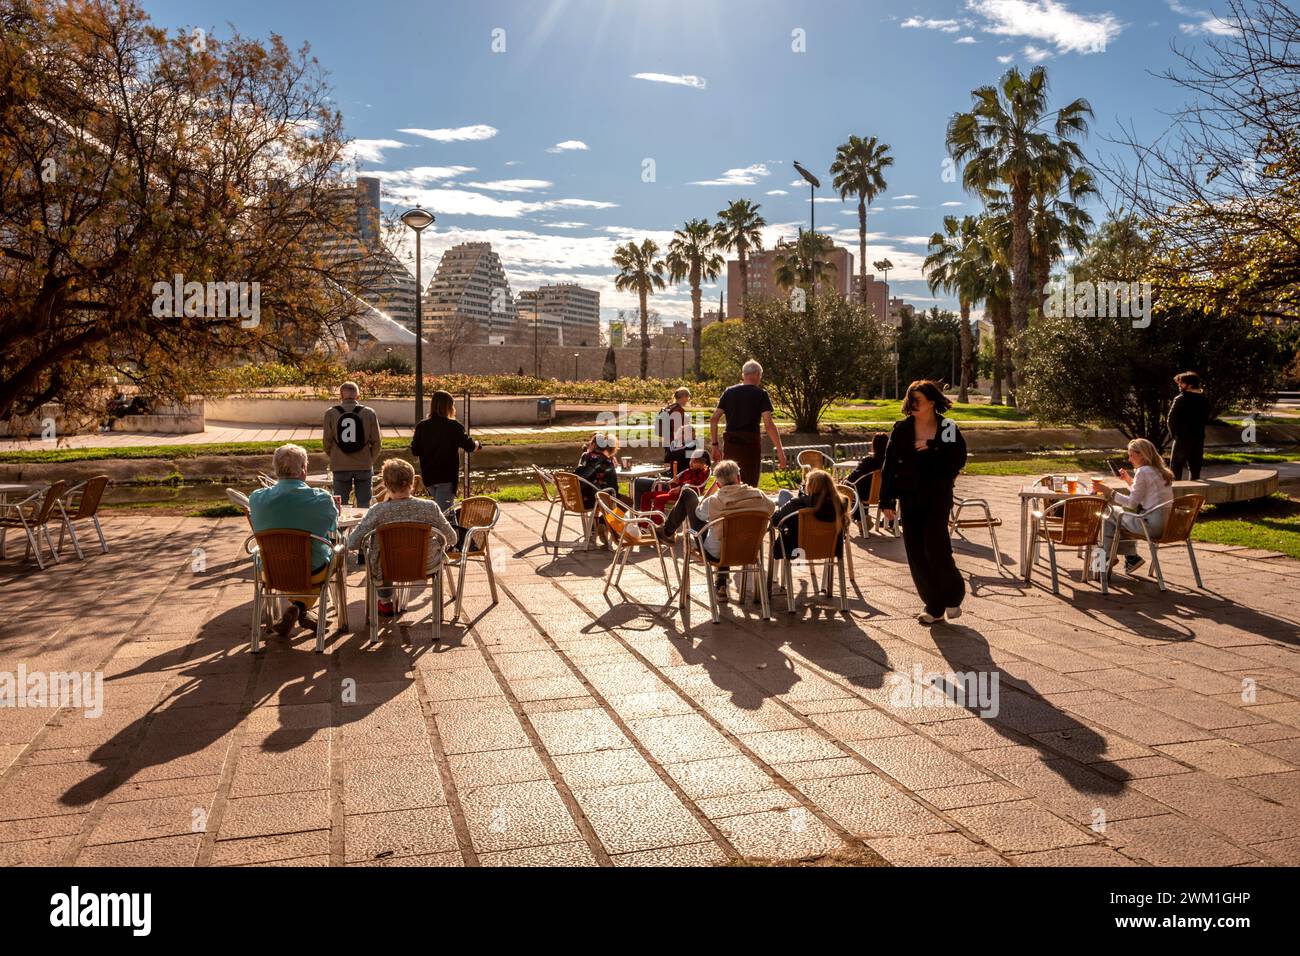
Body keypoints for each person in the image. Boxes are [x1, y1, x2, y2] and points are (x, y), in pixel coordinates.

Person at [879, 380, 969, 624]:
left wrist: (932, 446)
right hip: (909, 497)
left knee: (936, 547)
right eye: (910, 399)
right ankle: (934, 606)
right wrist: (886, 499)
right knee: (916, 550)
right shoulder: (902, 429)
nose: (913, 404)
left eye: (917, 399)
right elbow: (888, 466)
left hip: (937, 496)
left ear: (931, 401)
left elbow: (957, 459)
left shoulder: (947, 426)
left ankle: (953, 595)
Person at [248, 443, 340, 636]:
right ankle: (301, 608)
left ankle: (298, 608)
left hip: (271, 569)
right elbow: (332, 529)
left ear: (275, 470)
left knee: (293, 563)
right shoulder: (321, 499)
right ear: (304, 470)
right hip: (312, 571)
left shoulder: (256, 499)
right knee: (336, 552)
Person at [347, 458, 456, 617]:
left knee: (381, 554)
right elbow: (452, 538)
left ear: (385, 483)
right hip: (424, 563)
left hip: (387, 566)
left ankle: (385, 601)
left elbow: (353, 542)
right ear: (412, 481)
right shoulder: (429, 508)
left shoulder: (377, 511)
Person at [654, 459, 774, 600]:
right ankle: (721, 584)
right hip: (749, 550)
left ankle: (667, 531)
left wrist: (711, 491)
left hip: (716, 554)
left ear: (718, 484)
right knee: (726, 534)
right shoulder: (759, 495)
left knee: (688, 494)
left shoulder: (714, 501)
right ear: (739, 478)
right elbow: (771, 509)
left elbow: (699, 513)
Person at [1092, 438, 1176, 576]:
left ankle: (1105, 560)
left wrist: (1110, 492)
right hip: (1168, 525)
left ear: (1142, 454)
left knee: (1108, 512)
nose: (1129, 459)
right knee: (1118, 519)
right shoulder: (1160, 471)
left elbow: (1132, 503)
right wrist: (1128, 480)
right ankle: (1130, 558)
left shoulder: (1143, 471)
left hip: (1152, 526)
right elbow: (1144, 495)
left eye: (1131, 455)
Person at [710, 359, 787, 488]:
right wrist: (780, 450)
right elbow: (769, 424)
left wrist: (714, 445)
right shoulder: (761, 394)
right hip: (750, 445)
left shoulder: (729, 392)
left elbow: (714, 419)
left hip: (731, 443)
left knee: (729, 482)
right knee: (750, 483)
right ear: (758, 375)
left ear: (743, 375)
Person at [410, 389, 481, 512]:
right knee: (444, 514)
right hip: (446, 477)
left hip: (429, 477)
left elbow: (415, 450)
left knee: (443, 510)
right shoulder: (454, 426)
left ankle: (450, 529)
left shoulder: (422, 426)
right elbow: (469, 446)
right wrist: (477, 444)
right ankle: (447, 530)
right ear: (449, 406)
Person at [770, 468, 850, 561]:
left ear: (810, 486)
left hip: (797, 549)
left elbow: (774, 520)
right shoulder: (841, 504)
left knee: (784, 494)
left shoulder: (799, 503)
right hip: (831, 549)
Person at [323, 381, 382, 507]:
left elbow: (327, 442)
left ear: (340, 396)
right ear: (358, 396)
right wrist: (369, 460)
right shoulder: (369, 413)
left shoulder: (331, 413)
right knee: (364, 503)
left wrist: (335, 456)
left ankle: (342, 526)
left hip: (339, 465)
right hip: (363, 464)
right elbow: (377, 442)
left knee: (340, 504)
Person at [640, 449, 711, 515]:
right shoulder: (688, 471)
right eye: (691, 460)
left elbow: (693, 483)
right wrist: (675, 482)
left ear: (703, 463)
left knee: (659, 499)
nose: (691, 463)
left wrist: (680, 488)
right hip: (676, 493)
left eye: (695, 461)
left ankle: (657, 524)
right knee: (646, 496)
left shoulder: (702, 473)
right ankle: (644, 524)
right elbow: (676, 485)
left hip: (685, 496)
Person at [1167, 371, 1209, 480]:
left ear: (1189, 384)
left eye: (1181, 383)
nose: (1179, 385)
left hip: (1182, 437)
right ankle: (1195, 494)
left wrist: (1174, 435)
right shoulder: (1203, 398)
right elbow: (1205, 418)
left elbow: (1170, 420)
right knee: (1195, 467)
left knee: (1175, 467)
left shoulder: (1180, 399)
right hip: (1199, 437)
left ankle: (1176, 493)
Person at [845, 433, 889, 524]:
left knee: (849, 489)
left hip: (865, 494)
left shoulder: (868, 461)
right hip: (883, 495)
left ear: (874, 445)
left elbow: (852, 478)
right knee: (859, 487)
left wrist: (845, 480)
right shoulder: (889, 462)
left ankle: (859, 519)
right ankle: (862, 518)